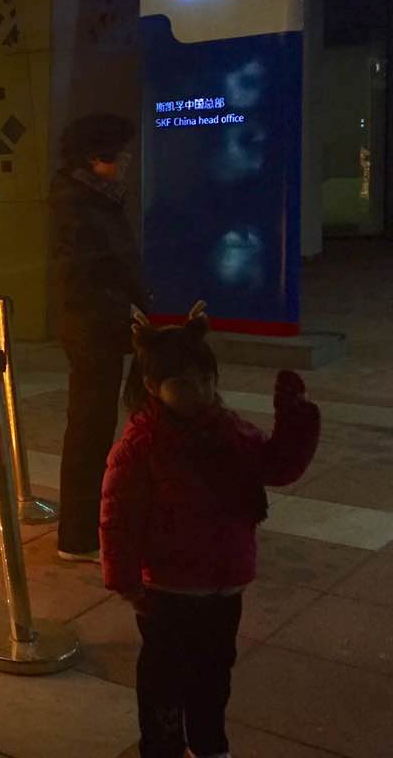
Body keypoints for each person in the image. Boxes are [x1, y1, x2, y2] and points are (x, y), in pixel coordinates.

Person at [100, 304, 321, 758]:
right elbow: (118, 519)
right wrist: (125, 581)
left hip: (224, 586)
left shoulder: (229, 431)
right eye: (183, 383)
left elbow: (276, 466)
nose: (199, 392)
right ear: (152, 386)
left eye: (205, 380)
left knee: (214, 671)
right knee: (163, 676)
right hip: (167, 590)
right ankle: (162, 745)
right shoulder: (142, 446)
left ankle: (208, 743)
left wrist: (294, 421)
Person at [49, 112, 146, 560]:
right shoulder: (77, 203)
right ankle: (77, 536)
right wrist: (125, 308)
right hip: (93, 329)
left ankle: (89, 526)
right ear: (94, 157)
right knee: (89, 430)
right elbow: (81, 276)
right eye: (120, 153)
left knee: (94, 426)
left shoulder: (95, 198)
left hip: (101, 325)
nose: (127, 160)